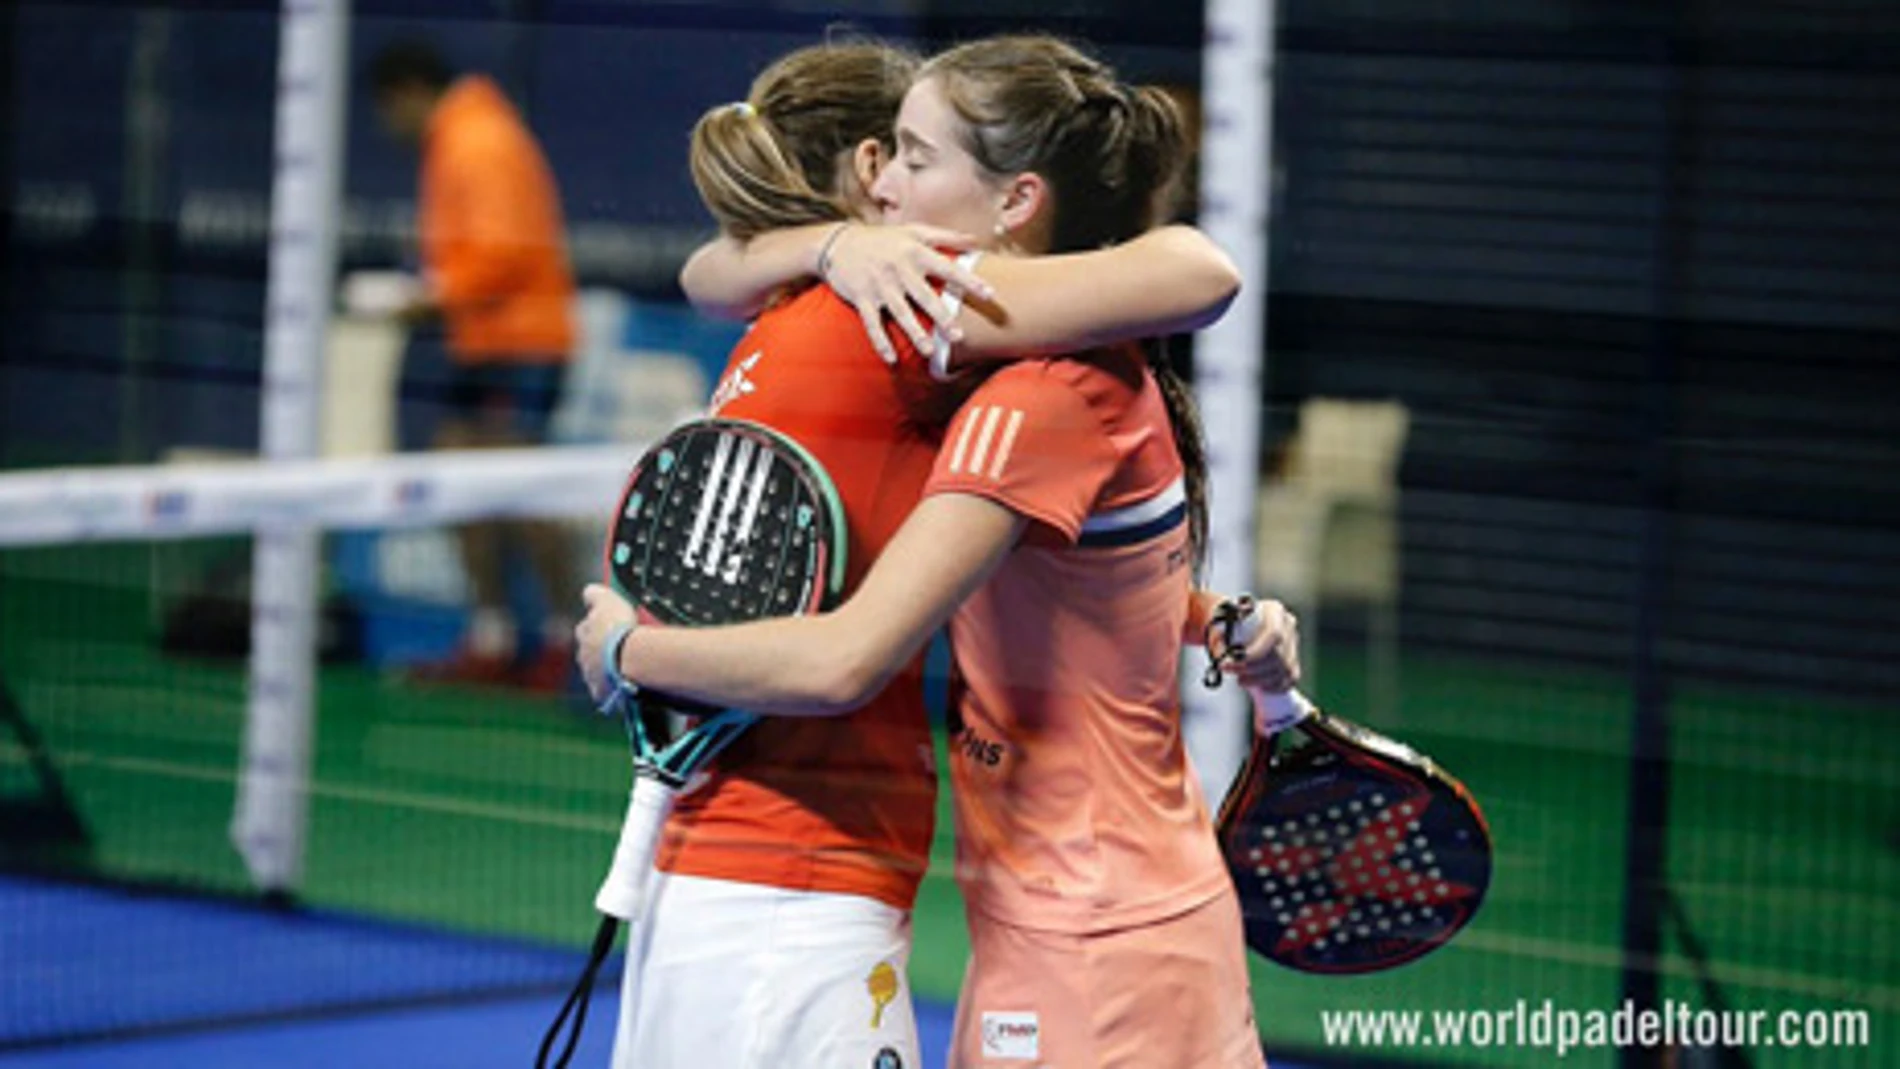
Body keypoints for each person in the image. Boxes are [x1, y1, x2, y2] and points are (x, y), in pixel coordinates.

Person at [580, 35, 1298, 1069]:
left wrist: (621, 649)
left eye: (925, 157)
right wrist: (832, 247)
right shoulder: (903, 312)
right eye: (899, 155)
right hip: (844, 895)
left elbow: (1198, 274)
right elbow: (1192, 271)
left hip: (1025, 919)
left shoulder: (869, 320)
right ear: (865, 173)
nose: (898, 188)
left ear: (1014, 198)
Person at [366, 41, 578, 689]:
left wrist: (426, 295)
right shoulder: (464, 136)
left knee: (521, 492)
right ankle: (494, 637)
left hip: (519, 343)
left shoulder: (477, 140)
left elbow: (502, 256)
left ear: (406, 92)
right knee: (464, 476)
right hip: (484, 342)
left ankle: (567, 644)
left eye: (385, 109)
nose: (384, 126)